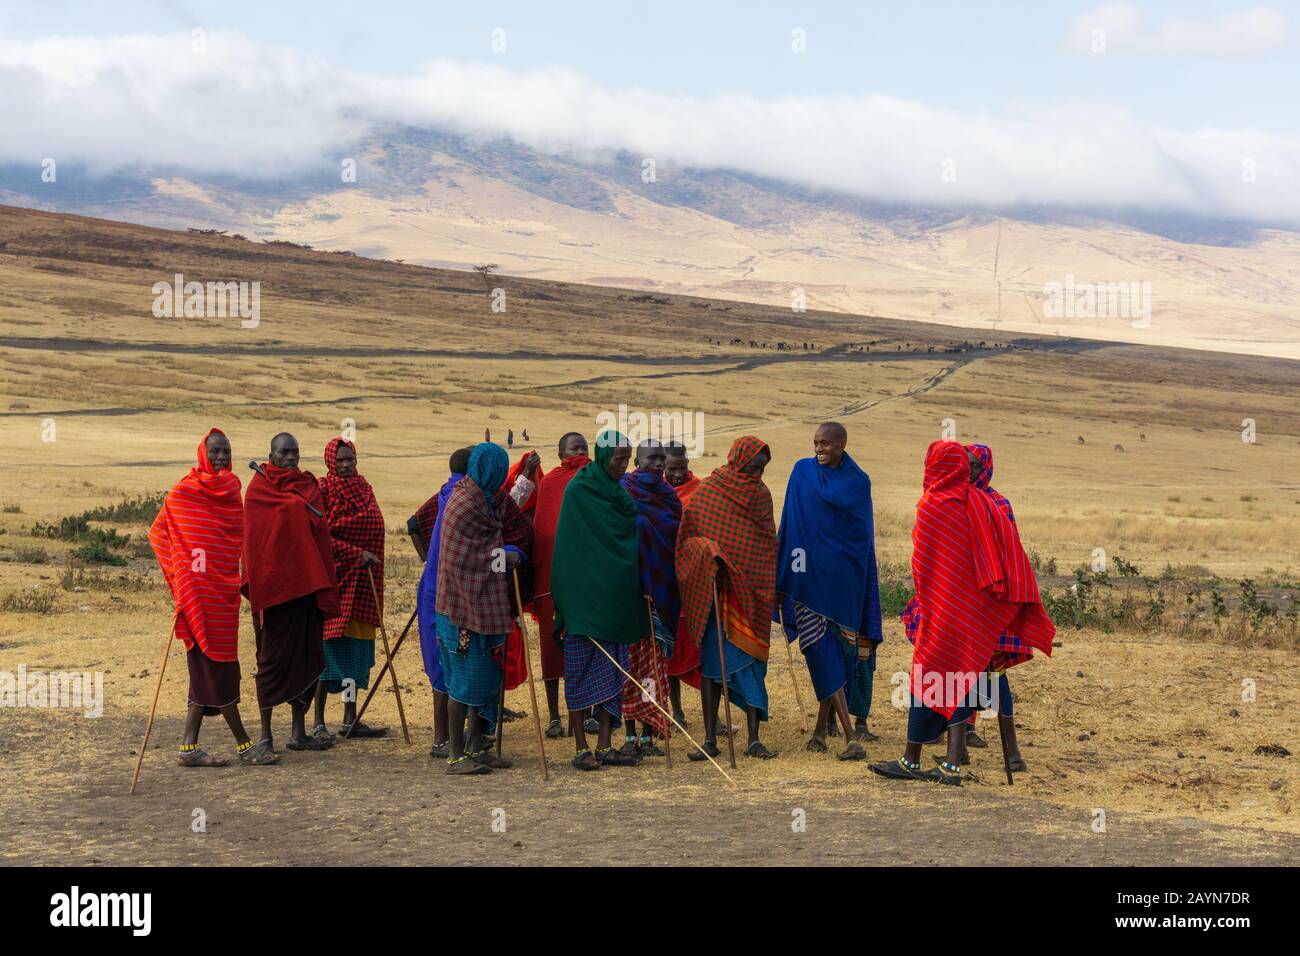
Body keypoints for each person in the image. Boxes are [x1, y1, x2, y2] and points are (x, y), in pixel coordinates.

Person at [870, 440, 1054, 786]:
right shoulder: (982, 502)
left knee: (932, 675)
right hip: (973, 611)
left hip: (942, 609)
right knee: (961, 676)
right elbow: (1005, 557)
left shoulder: (933, 505)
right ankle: (950, 764)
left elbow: (924, 566)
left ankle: (914, 761)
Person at [901, 442, 1035, 768]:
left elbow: (1008, 554)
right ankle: (957, 752)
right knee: (966, 673)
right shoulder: (961, 501)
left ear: (986, 469)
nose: (970, 471)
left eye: (976, 466)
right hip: (974, 605)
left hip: (987, 604)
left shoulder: (992, 503)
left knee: (989, 676)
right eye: (967, 465)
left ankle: (1004, 752)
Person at [149, 428, 276, 766]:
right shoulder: (183, 493)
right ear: (204, 453)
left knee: (208, 670)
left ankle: (188, 748)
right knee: (216, 670)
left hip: (224, 594)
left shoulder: (233, 490)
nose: (221, 457)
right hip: (195, 595)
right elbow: (160, 532)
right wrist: (181, 578)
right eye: (216, 451)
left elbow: (237, 539)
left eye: (226, 451)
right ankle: (245, 745)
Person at [775, 422, 882, 761]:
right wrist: (787, 574)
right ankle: (848, 736)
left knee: (836, 652)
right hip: (807, 579)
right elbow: (791, 522)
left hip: (843, 583)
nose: (819, 449)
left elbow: (859, 538)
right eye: (815, 443)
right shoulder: (801, 472)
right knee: (818, 650)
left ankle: (822, 732)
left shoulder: (857, 483)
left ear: (842, 444)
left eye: (825, 444)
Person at [434, 442, 534, 775]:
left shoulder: (491, 498)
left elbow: (513, 516)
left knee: (486, 680)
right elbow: (464, 560)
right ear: (486, 470)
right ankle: (455, 755)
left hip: (487, 608)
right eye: (498, 471)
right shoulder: (463, 504)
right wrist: (505, 556)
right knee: (463, 683)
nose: (499, 477)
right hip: (460, 609)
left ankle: (477, 746)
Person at [678, 436, 779, 760]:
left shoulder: (762, 496)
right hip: (715, 593)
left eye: (761, 468)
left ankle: (753, 739)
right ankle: (709, 739)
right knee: (712, 666)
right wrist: (707, 554)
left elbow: (765, 546)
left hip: (751, 594)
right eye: (752, 466)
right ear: (737, 460)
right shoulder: (710, 491)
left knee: (752, 665)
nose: (756, 473)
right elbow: (687, 537)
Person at [549, 429, 644, 770]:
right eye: (619, 458)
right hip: (581, 600)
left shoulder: (619, 491)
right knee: (577, 672)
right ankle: (579, 747)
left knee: (613, 670)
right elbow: (572, 549)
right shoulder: (580, 490)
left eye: (627, 459)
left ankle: (604, 744)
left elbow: (625, 537)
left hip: (615, 597)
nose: (624, 465)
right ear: (605, 456)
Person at [242, 432, 340, 756]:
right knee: (269, 661)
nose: (291, 458)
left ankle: (299, 731)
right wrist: (292, 506)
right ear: (270, 454)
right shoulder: (258, 490)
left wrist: (297, 506)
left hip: (306, 588)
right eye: (284, 452)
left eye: (295, 452)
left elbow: (318, 530)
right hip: (274, 593)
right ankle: (266, 737)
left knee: (308, 658)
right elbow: (257, 542)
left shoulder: (307, 486)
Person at [314, 438, 387, 739]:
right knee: (328, 657)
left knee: (355, 658)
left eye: (351, 459)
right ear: (330, 461)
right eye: (341, 460)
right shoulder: (322, 491)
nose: (346, 465)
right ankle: (317, 721)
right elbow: (321, 537)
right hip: (335, 586)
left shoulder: (364, 488)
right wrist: (356, 554)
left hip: (364, 588)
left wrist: (364, 555)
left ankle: (349, 718)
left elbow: (375, 525)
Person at [617, 439, 681, 757]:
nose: (658, 464)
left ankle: (649, 732)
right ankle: (630, 736)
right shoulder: (623, 492)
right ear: (637, 462)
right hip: (629, 595)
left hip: (660, 592)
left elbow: (675, 543)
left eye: (661, 458)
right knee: (630, 667)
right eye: (651, 458)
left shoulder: (669, 498)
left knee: (653, 669)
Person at [528, 432, 590, 738]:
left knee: (587, 646)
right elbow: (541, 532)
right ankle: (554, 715)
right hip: (551, 582)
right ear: (560, 454)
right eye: (573, 450)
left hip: (588, 583)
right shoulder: (550, 484)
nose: (579, 455)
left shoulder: (597, 481)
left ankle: (588, 712)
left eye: (584, 449)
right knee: (552, 650)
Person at [414, 447, 471, 757]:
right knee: (446, 665)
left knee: (446, 664)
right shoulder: (462, 499)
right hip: (444, 593)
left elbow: (413, 523)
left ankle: (449, 737)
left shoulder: (446, 493)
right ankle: (442, 740)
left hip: (434, 588)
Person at [663, 440, 702, 724]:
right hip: (664, 579)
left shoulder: (699, 490)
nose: (678, 474)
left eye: (683, 467)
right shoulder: (656, 491)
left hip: (694, 580)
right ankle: (676, 711)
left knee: (701, 650)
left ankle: (714, 716)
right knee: (669, 649)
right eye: (672, 469)